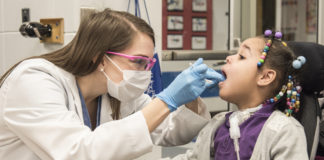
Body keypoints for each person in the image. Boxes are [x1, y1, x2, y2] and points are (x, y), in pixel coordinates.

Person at [0, 9, 224, 160]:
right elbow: (79, 152)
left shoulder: (116, 91)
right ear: (99, 57)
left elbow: (171, 132)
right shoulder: (33, 81)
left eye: (149, 63)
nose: (145, 72)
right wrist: (167, 100)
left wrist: (190, 98)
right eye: (138, 61)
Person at [164, 30, 309, 160]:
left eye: (241, 56)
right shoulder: (218, 124)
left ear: (265, 77)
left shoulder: (284, 131)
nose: (229, 58)